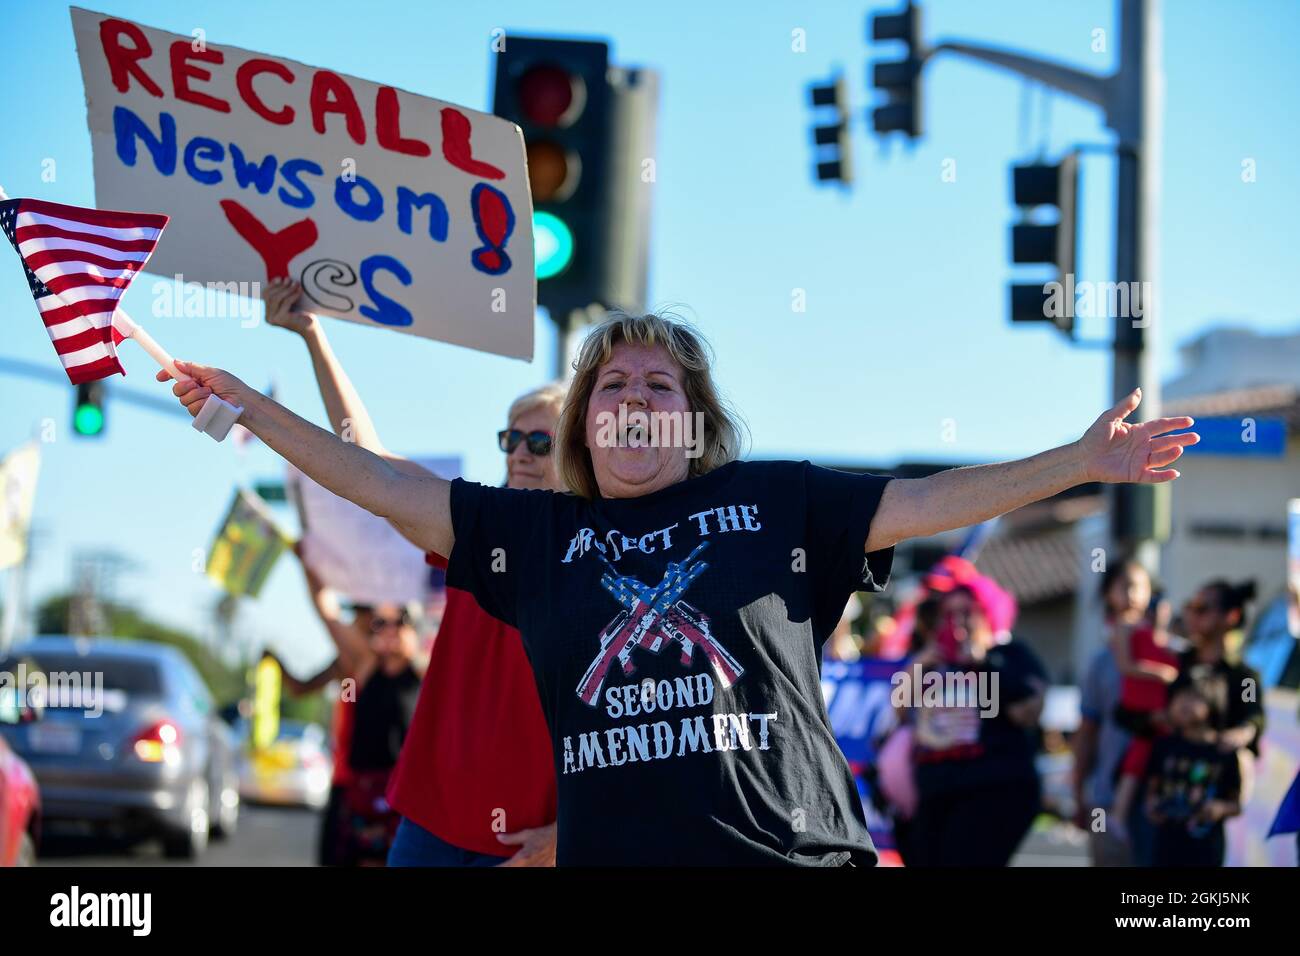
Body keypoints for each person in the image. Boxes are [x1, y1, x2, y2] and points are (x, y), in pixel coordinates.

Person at [158, 310, 1198, 865]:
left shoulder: (771, 500)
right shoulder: (538, 530)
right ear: (584, 428)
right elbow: (381, 482)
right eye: (613, 383)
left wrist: (1076, 459)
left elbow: (932, 499)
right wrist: (248, 402)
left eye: (661, 383)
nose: (635, 395)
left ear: (693, 424)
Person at [262, 279, 560, 867]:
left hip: (531, 840)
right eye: (511, 437)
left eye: (540, 440)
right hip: (432, 824)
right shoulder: (471, 526)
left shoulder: (604, 547)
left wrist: (566, 832)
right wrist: (314, 336)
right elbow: (369, 462)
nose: (520, 451)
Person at [904, 583, 1049, 866]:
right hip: (936, 790)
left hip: (993, 788)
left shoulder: (1010, 654)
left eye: (967, 612)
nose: (958, 621)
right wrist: (915, 670)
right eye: (950, 613)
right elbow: (898, 716)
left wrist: (985, 664)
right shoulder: (931, 662)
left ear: (986, 613)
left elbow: (1026, 711)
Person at [1073, 559, 1156, 865]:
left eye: (1140, 585)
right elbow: (1087, 731)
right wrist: (1079, 789)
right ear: (1108, 594)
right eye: (1124, 585)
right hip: (1107, 796)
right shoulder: (1100, 663)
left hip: (1158, 798)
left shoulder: (1170, 654)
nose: (1132, 594)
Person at [1143, 683, 1242, 867]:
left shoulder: (1224, 753)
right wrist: (1152, 806)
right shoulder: (1164, 746)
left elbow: (1235, 805)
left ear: (1213, 704)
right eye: (1179, 698)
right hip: (1166, 845)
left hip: (1206, 849)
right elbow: (1151, 791)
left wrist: (1219, 808)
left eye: (1192, 698)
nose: (1183, 705)